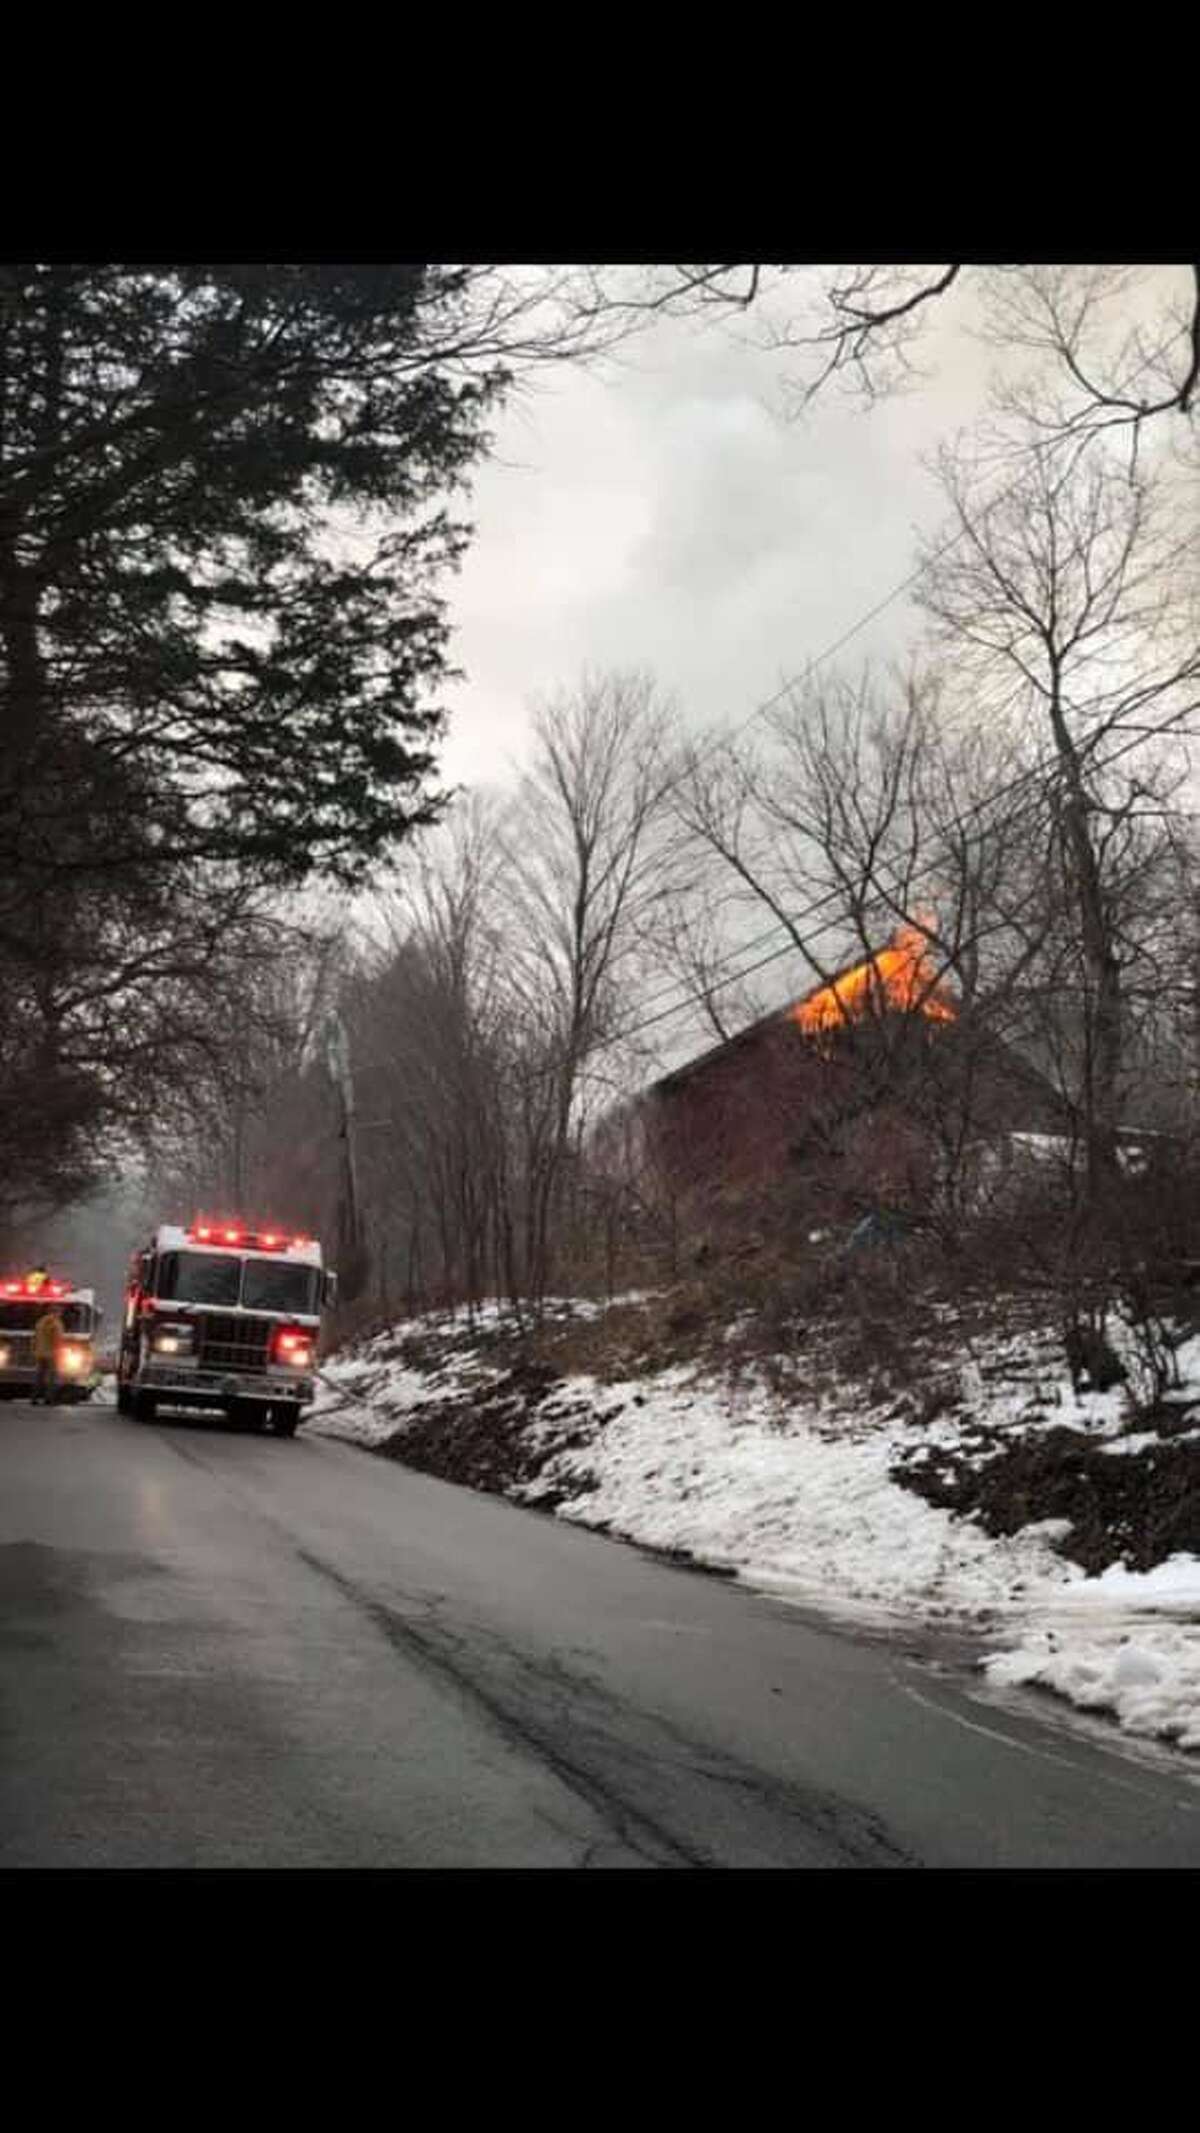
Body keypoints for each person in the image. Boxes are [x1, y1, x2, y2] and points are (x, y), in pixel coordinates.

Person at [32, 1304, 64, 1406]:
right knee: (52, 1377)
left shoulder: (40, 1322)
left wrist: (34, 1350)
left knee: (39, 1376)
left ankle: (34, 1398)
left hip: (40, 1353)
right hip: (52, 1354)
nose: (60, 1314)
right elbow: (57, 1339)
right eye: (59, 1312)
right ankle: (49, 1399)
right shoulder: (56, 1323)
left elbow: (34, 1338)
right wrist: (59, 1351)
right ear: (56, 1312)